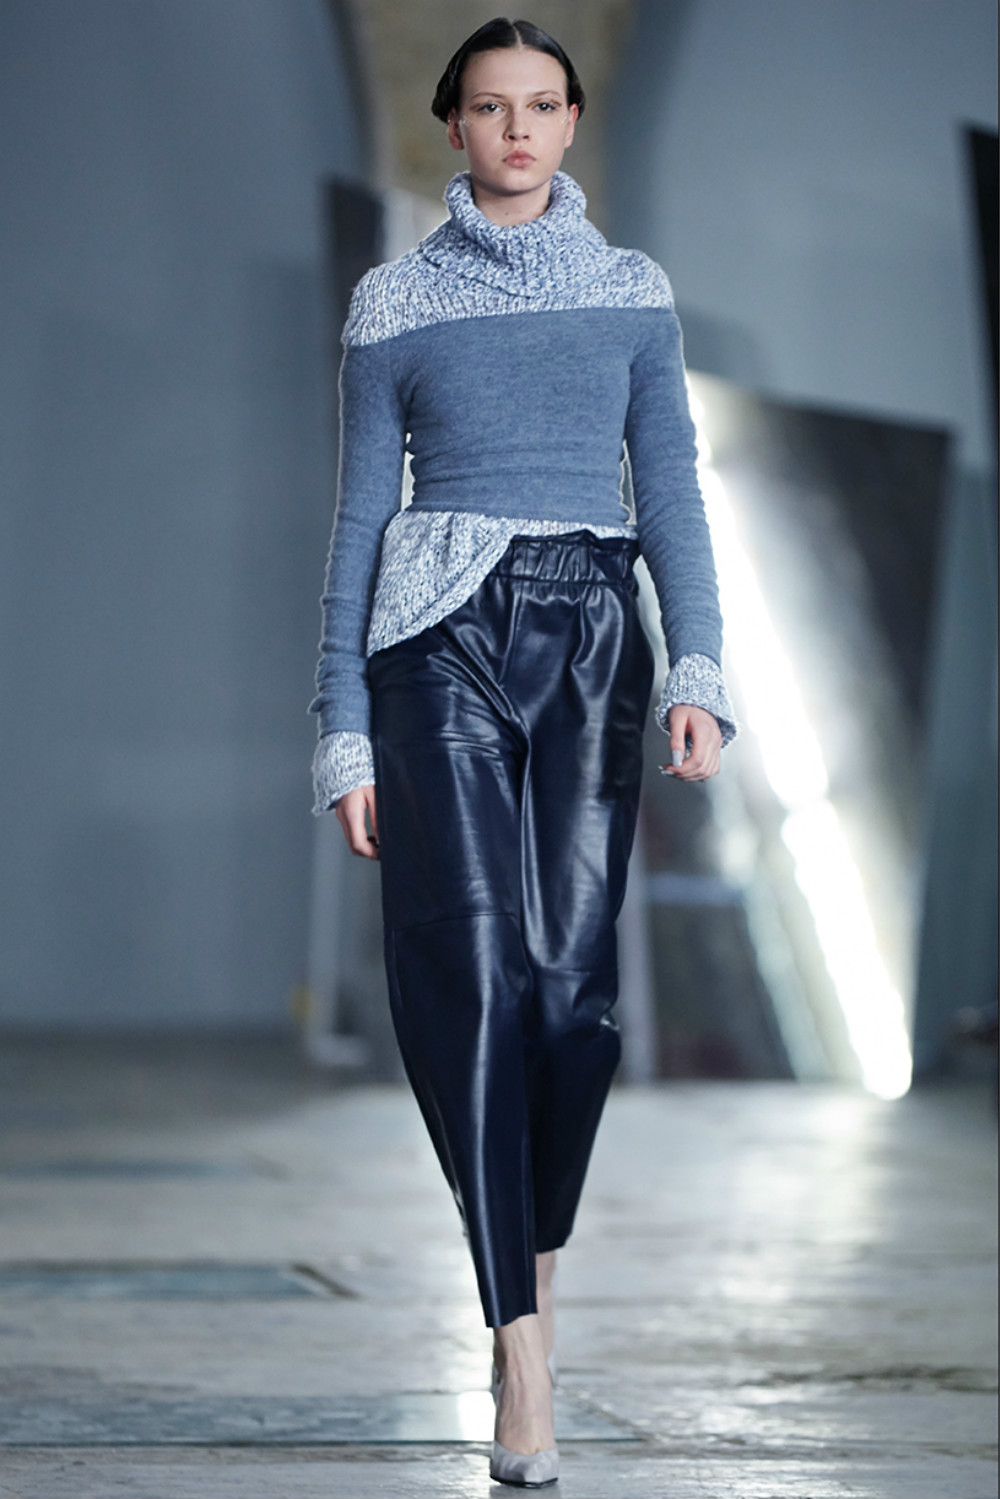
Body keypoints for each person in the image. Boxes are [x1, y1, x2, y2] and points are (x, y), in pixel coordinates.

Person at [308, 16, 738, 1488]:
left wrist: (697, 666)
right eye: (491, 107)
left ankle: (528, 1279)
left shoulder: (632, 292)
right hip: (434, 640)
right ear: (455, 126)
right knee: (475, 977)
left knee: (570, 997)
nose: (517, 130)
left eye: (542, 105)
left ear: (568, 123)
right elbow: (359, 521)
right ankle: (523, 1347)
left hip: (594, 639)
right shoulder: (392, 302)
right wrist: (343, 725)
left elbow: (670, 488)